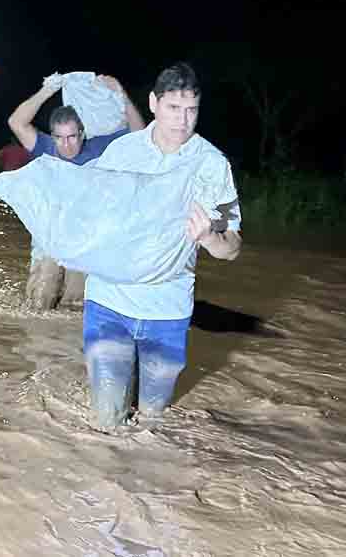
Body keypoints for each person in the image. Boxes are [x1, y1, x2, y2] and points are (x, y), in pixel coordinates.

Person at [81, 61, 242, 431]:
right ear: (153, 103)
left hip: (168, 312)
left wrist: (209, 237)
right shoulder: (122, 154)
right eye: (173, 107)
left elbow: (232, 247)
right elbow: (86, 214)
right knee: (106, 421)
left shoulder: (212, 166)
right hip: (109, 303)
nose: (183, 121)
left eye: (191, 110)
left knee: (152, 426)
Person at [7, 73, 146, 309]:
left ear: (82, 133)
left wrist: (121, 93)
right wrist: (47, 90)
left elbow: (139, 135)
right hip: (49, 241)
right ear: (52, 136)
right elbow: (16, 122)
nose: (66, 145)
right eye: (60, 137)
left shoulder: (99, 148)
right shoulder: (45, 148)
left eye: (72, 136)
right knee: (38, 303)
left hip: (84, 243)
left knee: (74, 307)